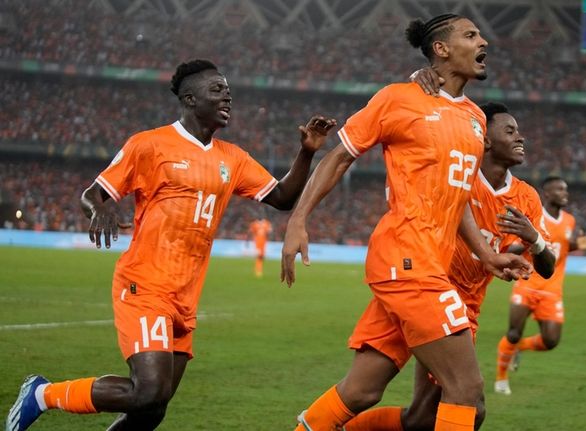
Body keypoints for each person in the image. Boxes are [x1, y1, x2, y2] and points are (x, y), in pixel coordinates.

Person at [6, 59, 336, 431]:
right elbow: (92, 194)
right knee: (147, 391)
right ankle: (42, 394)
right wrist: (98, 211)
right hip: (146, 285)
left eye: (228, 90)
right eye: (217, 89)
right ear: (190, 99)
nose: (227, 95)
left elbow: (282, 197)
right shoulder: (149, 145)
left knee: (152, 410)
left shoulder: (234, 158)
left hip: (185, 297)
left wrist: (307, 152)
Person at [281, 14, 532, 431]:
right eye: (471, 35)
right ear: (441, 49)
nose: (483, 40)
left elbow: (459, 198)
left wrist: (486, 254)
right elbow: (339, 155)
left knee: (362, 391)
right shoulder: (399, 98)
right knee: (465, 390)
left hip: (425, 268)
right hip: (408, 262)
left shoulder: (473, 118)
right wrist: (298, 219)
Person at [343, 101, 556, 430]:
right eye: (510, 131)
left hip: (466, 308)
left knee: (416, 416)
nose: (521, 138)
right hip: (430, 293)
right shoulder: (460, 179)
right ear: (484, 139)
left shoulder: (526, 197)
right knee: (470, 406)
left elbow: (548, 267)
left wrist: (534, 240)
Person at [494, 176, 586, 395]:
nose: (565, 194)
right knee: (513, 333)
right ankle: (501, 379)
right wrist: (499, 258)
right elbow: (518, 246)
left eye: (566, 189)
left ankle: (519, 349)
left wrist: (577, 244)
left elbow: (559, 246)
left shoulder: (569, 220)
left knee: (551, 340)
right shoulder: (534, 216)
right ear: (548, 193)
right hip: (527, 282)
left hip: (552, 288)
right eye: (560, 190)